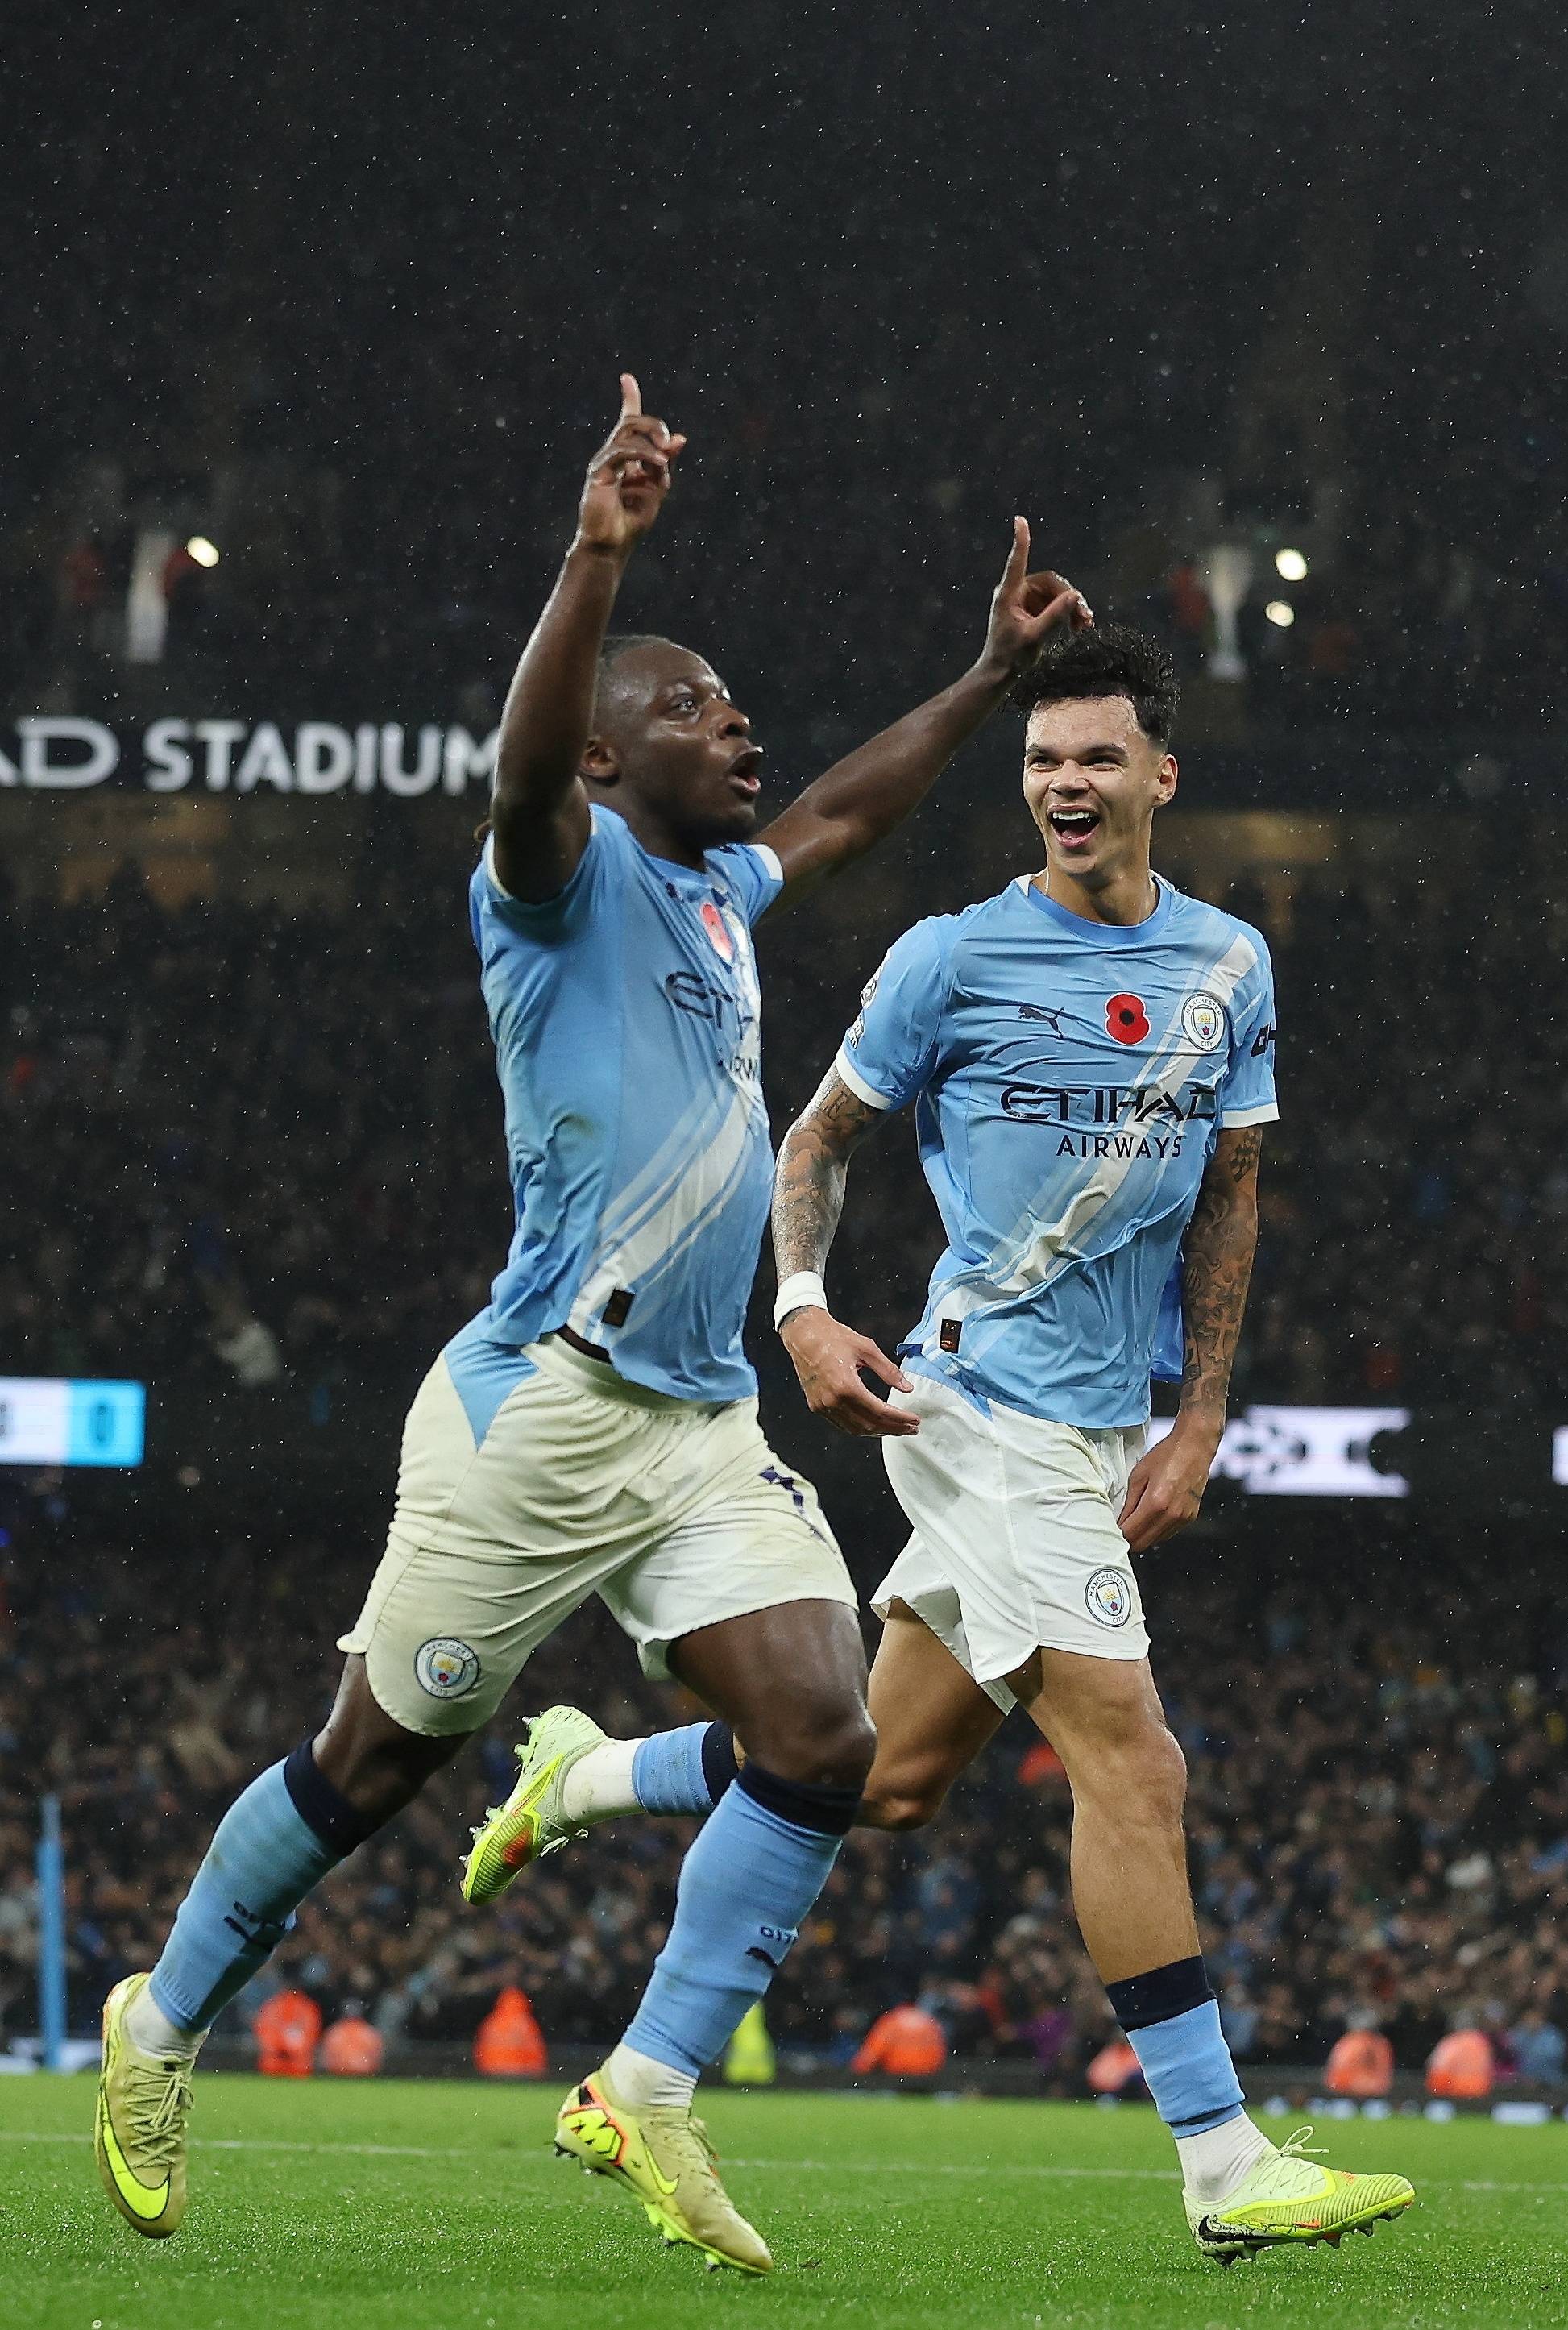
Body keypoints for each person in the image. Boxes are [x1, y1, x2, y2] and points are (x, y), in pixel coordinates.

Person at [93, 376, 1091, 2275]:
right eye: (696, 706)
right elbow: (520, 772)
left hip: (697, 1423)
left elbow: (841, 810)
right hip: (539, 1408)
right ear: (616, 751)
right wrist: (594, 555)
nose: (739, 726)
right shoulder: (552, 882)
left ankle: (646, 2085)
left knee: (825, 1737)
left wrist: (981, 679)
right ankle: (162, 2018)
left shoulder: (714, 892)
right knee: (368, 1771)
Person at [514, 624, 1416, 2266]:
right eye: (1040, 759)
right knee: (1133, 1757)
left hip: (1098, 1427)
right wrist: (800, 1309)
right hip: (979, 1408)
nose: (1064, 783)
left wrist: (1199, 1414)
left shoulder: (1229, 964)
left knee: (882, 1776)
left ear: (1158, 775)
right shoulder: (950, 956)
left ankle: (585, 1793)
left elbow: (1231, 1194)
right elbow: (814, 1140)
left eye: (1094, 757)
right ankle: (1220, 2162)